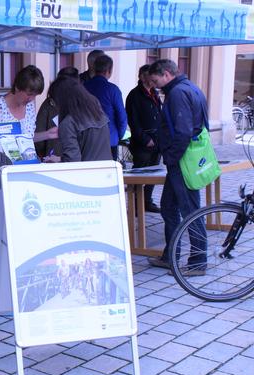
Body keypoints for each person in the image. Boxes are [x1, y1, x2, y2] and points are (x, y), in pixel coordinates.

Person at [147, 59, 208, 274]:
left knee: (190, 210)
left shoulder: (178, 93)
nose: (155, 85)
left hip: (182, 162)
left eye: (155, 80)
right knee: (169, 207)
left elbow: (183, 131)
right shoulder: (192, 88)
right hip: (184, 160)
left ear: (166, 74)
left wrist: (171, 158)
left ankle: (199, 261)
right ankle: (170, 255)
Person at [0, 65, 58, 172]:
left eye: (35, 95)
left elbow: (26, 138)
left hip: (24, 171)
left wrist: (48, 134)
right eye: (29, 94)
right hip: (0, 173)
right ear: (17, 87)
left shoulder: (29, 107)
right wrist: (5, 157)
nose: (31, 99)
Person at [47, 76, 112, 162]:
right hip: (107, 171)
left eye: (53, 102)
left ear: (61, 100)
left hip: (86, 174)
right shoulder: (97, 113)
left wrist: (59, 160)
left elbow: (72, 160)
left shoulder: (68, 124)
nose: (54, 106)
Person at [125, 64, 162, 213]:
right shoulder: (134, 95)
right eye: (149, 75)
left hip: (157, 140)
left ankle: (147, 201)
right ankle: (134, 204)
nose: (153, 79)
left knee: (153, 174)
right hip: (143, 143)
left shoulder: (155, 93)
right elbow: (133, 121)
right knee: (139, 174)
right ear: (142, 76)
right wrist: (145, 139)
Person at [84, 54, 128, 161]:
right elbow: (122, 117)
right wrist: (118, 136)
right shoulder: (113, 90)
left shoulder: (84, 87)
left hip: (88, 138)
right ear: (109, 70)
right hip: (109, 139)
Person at [34, 66, 79, 158]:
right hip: (77, 161)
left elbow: (39, 139)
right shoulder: (84, 105)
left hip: (52, 160)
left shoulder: (49, 103)